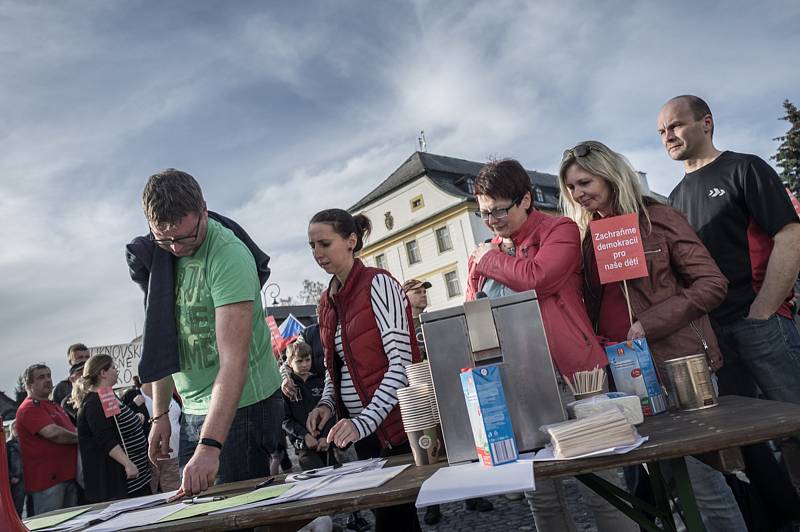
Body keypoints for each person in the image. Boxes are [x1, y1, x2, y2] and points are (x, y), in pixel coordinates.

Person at [559, 140, 747, 532]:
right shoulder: (592, 235)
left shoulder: (657, 217)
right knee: (660, 489)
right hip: (625, 376)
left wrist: (650, 323)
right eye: (571, 188)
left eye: (584, 182)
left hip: (679, 365)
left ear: (609, 174)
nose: (578, 194)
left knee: (704, 484)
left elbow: (712, 283)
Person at [465, 158, 633, 532]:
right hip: (518, 384)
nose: (492, 221)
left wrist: (489, 259)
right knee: (541, 496)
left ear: (526, 199)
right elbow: (473, 314)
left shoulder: (561, 230)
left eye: (499, 211)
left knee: (604, 487)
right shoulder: (486, 251)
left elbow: (537, 279)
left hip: (578, 375)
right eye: (484, 214)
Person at [660, 95, 800, 513]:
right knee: (743, 442)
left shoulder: (745, 168)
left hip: (761, 322)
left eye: (676, 125)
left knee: (795, 424)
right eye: (662, 131)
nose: (668, 136)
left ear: (706, 123)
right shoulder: (674, 198)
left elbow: (789, 237)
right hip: (712, 340)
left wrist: (762, 312)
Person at [137, 169, 283, 496]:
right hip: (193, 407)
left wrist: (210, 446)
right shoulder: (159, 255)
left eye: (186, 237)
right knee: (198, 510)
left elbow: (234, 361)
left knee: (236, 514)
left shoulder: (228, 255)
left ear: (204, 209)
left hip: (245, 405)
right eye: (165, 238)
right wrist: (160, 414)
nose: (176, 247)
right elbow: (163, 340)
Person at [305, 209, 422, 532]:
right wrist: (326, 404)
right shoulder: (326, 303)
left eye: (325, 244)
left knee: (393, 519)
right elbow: (335, 368)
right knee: (395, 519)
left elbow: (402, 364)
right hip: (365, 434)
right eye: (312, 246)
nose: (317, 254)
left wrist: (363, 422)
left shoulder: (379, 284)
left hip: (397, 428)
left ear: (351, 241)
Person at [74, 355, 152, 503]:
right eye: (114, 368)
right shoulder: (93, 403)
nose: (117, 371)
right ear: (103, 373)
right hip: (122, 482)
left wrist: (135, 419)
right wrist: (127, 464)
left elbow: (118, 425)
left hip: (139, 478)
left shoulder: (109, 396)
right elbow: (105, 438)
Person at [15, 364, 78, 516]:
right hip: (47, 483)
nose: (48, 380)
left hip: (67, 476)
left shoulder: (52, 405)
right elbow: (54, 434)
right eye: (41, 377)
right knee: (51, 524)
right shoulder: (29, 408)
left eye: (49, 375)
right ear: (29, 385)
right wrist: (82, 438)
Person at [282, 340, 334, 470]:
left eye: (307, 360)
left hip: (326, 443)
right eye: (299, 361)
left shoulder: (321, 382)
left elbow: (331, 411)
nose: (304, 364)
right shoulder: (287, 388)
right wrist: (305, 435)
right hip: (304, 446)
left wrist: (325, 436)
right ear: (289, 363)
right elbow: (285, 420)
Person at [140, 382, 182, 492]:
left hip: (176, 455)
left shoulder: (170, 393)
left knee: (177, 493)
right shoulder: (135, 395)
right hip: (153, 460)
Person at [402, 279, 431, 360]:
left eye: (424, 292)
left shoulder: (432, 320)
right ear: (404, 296)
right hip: (416, 370)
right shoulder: (402, 325)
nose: (424, 295)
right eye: (418, 292)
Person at [6, 421, 24, 516]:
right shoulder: (8, 445)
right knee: (17, 506)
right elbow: (5, 463)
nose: (16, 430)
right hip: (16, 479)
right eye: (14, 428)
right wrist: (11, 476)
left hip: (27, 477)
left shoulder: (26, 442)